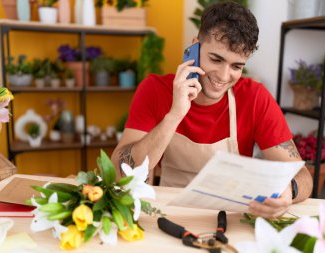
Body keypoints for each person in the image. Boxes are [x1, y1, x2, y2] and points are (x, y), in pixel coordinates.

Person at [111, 1, 313, 218]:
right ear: (194, 48)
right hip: (167, 215)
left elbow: (303, 176)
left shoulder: (255, 98)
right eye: (216, 59)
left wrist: (289, 192)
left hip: (230, 219)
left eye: (236, 66)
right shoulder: (155, 90)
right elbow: (118, 171)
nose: (224, 76)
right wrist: (175, 114)